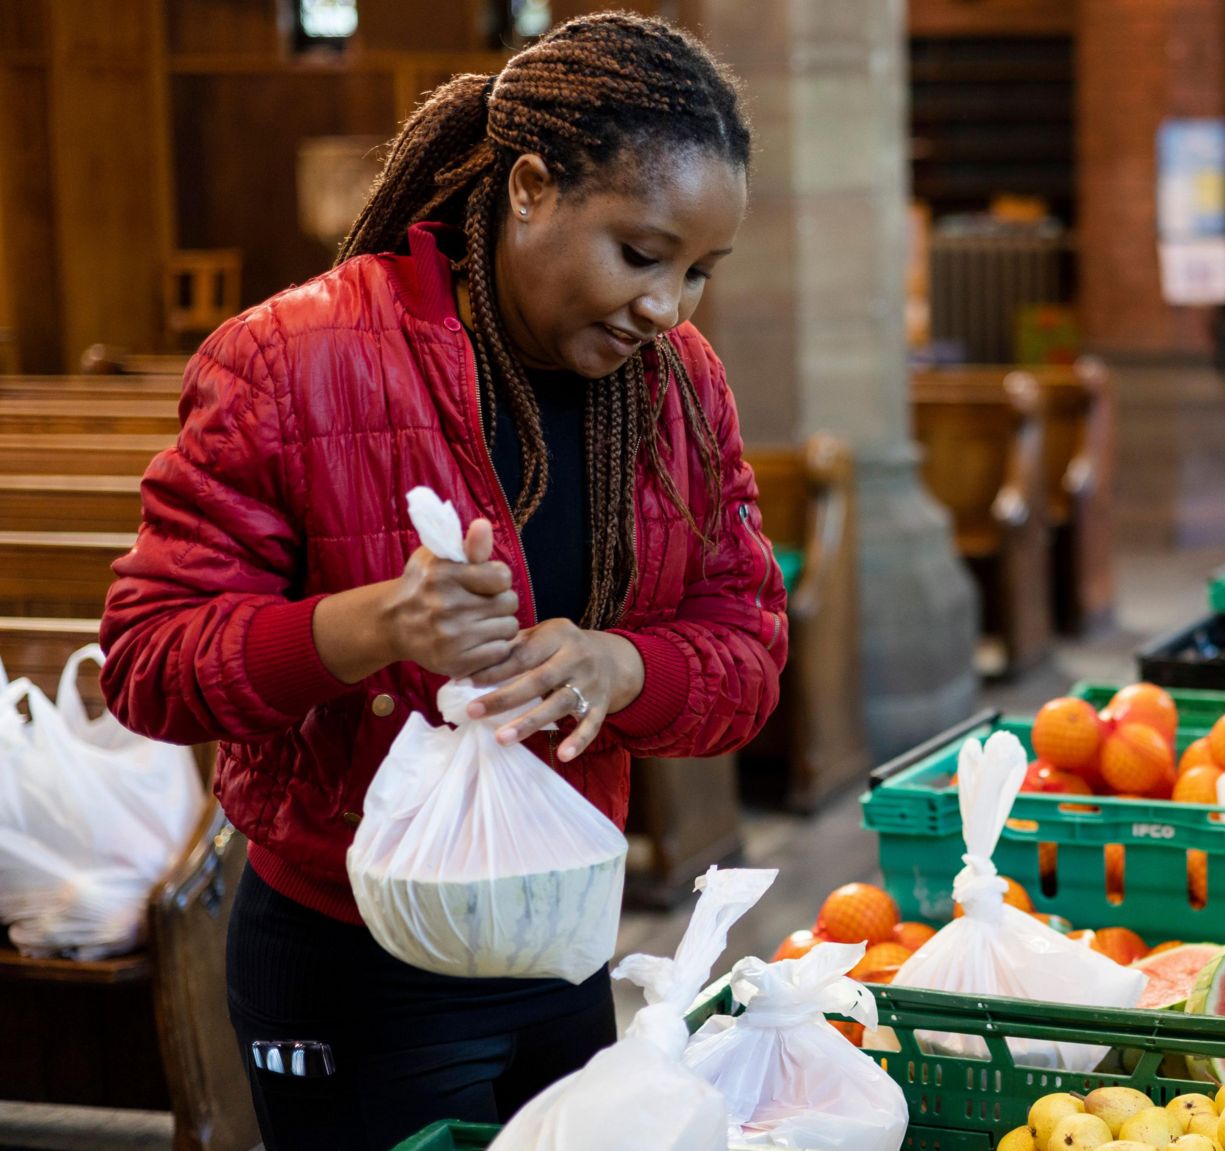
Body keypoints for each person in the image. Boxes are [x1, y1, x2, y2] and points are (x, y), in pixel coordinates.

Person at [97, 14, 787, 1150]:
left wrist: (623, 664)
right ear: (528, 186)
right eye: (639, 253)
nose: (667, 306)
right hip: (350, 956)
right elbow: (149, 665)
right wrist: (365, 625)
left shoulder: (674, 386)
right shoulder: (292, 357)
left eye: (698, 272)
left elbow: (746, 651)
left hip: (558, 940)